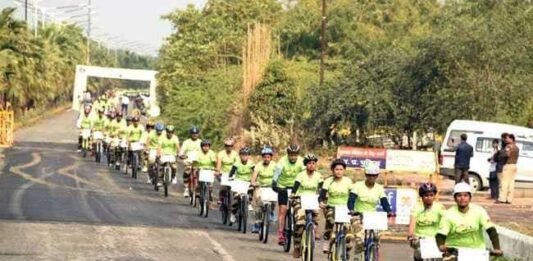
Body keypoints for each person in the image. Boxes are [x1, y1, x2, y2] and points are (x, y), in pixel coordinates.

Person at [436, 182, 503, 258]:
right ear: (455, 198)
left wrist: (497, 248)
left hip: (477, 251)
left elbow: (491, 230)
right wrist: (441, 246)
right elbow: (441, 234)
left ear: (470, 197)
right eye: (459, 195)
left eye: (465, 195)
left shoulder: (479, 211)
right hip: (454, 252)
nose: (462, 198)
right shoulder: (448, 214)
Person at [348, 162, 394, 258]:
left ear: (376, 176)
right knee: (360, 241)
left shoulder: (379, 188)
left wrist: (389, 211)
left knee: (377, 239)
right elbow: (351, 200)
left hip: (373, 217)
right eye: (369, 175)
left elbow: (384, 201)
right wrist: (352, 210)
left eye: (374, 176)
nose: (371, 178)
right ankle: (357, 257)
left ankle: (374, 255)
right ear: (366, 175)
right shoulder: (358, 185)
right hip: (359, 216)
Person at [290, 153, 323, 258]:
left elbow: (322, 189)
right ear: (306, 164)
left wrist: (323, 198)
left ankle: (315, 230)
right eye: (309, 163)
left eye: (313, 163)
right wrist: (292, 196)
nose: (312, 165)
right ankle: (297, 246)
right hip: (300, 199)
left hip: (313, 199)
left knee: (316, 214)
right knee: (300, 221)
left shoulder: (318, 176)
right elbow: (295, 188)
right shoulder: (301, 175)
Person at [272, 144, 305, 245]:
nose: (293, 157)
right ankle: (281, 234)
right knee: (283, 210)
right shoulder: (282, 161)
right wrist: (274, 184)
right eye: (291, 155)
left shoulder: (301, 161)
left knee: (299, 209)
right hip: (283, 187)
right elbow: (276, 174)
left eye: (295, 155)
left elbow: (305, 174)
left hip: (296, 188)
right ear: (288, 154)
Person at [319, 159, 353, 254]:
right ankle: (326, 241)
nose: (339, 171)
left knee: (349, 236)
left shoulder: (348, 181)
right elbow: (322, 195)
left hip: (345, 208)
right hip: (331, 207)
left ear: (344, 170)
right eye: (336, 169)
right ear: (333, 170)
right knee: (330, 220)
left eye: (341, 169)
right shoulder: (328, 181)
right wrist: (321, 202)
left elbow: (353, 195)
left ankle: (345, 253)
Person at [408, 183, 445, 261]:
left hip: (436, 240)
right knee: (419, 255)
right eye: (426, 195)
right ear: (421, 196)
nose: (429, 198)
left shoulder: (439, 207)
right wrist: (411, 235)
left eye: (431, 195)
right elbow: (412, 222)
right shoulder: (416, 208)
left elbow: (446, 222)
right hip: (420, 240)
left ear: (434, 196)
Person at [250, 146, 277, 234]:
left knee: (274, 200)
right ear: (263, 157)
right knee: (258, 203)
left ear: (271, 158)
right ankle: (257, 224)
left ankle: (271, 211)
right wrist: (254, 183)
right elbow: (253, 178)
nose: (266, 159)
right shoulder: (258, 166)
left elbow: (278, 177)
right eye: (265, 157)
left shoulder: (275, 166)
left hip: (271, 187)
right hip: (260, 187)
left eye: (268, 157)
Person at [229, 146, 255, 223]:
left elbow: (255, 172)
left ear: (248, 156)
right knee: (236, 199)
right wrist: (230, 177)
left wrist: (255, 180)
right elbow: (232, 172)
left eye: (246, 155)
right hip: (238, 181)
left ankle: (249, 202)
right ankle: (233, 214)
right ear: (240, 155)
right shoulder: (237, 163)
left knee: (252, 188)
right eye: (242, 154)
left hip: (247, 181)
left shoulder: (251, 163)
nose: (244, 156)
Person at [179, 127, 202, 197]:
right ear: (191, 134)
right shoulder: (186, 142)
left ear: (198, 134)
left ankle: (198, 189)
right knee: (187, 171)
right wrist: (181, 155)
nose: (194, 135)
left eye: (196, 133)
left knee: (201, 174)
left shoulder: (201, 142)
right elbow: (182, 151)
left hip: (198, 160)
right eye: (193, 133)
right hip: (188, 158)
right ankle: (186, 188)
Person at [497, 134, 519, 204]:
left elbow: (507, 154)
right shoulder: (517, 147)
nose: (506, 140)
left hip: (508, 165)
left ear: (511, 139)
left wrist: (501, 154)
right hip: (514, 165)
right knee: (511, 183)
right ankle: (509, 199)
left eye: (508, 138)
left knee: (504, 183)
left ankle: (502, 199)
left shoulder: (508, 146)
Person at [216, 138, 238, 205]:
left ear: (232, 146)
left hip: (233, 173)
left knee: (236, 188)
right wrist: (218, 171)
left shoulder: (235, 154)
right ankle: (221, 198)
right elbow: (219, 164)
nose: (229, 147)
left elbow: (237, 164)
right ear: (225, 146)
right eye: (227, 146)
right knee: (223, 186)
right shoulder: (221, 153)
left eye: (230, 146)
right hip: (223, 172)